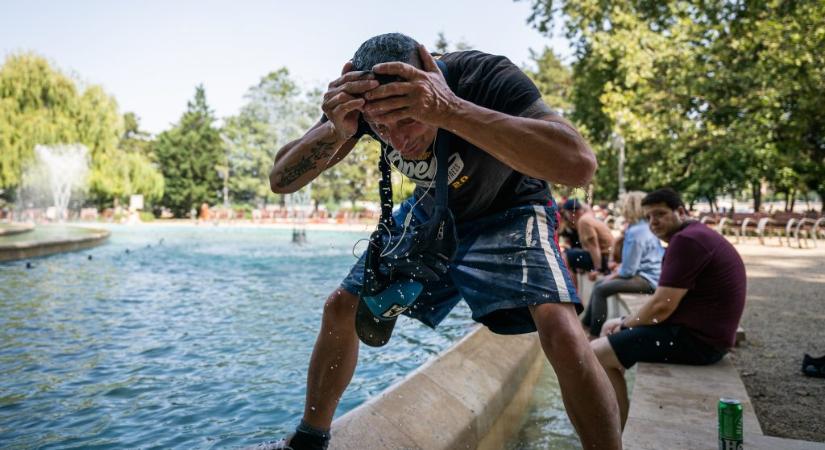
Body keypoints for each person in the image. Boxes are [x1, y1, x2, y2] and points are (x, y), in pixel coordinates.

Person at [264, 33, 621, 450]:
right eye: (382, 128)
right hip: (434, 209)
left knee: (560, 326)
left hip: (512, 205)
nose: (398, 140)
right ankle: (309, 439)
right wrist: (332, 132)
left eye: (409, 119)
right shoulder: (365, 102)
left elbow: (580, 165)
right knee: (341, 307)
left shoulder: (484, 76)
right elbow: (280, 180)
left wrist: (450, 111)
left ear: (431, 83)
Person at [591, 188, 746, 428]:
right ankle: (619, 420)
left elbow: (662, 306)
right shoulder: (693, 235)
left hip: (700, 343)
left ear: (681, 212)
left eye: (661, 214)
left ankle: (617, 430)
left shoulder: (686, 240)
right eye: (649, 216)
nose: (654, 222)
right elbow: (664, 305)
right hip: (702, 334)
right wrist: (624, 321)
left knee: (596, 354)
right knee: (609, 338)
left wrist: (624, 323)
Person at [580, 191, 664, 338]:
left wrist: (612, 276)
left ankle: (593, 334)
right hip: (653, 276)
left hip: (647, 280)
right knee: (601, 284)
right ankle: (586, 325)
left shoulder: (635, 232)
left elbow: (628, 271)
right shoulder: (645, 227)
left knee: (601, 288)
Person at [561, 199, 615, 286]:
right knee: (571, 255)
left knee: (565, 257)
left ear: (572, 212)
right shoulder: (588, 217)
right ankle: (574, 291)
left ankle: (572, 294)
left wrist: (597, 269)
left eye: (567, 213)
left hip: (605, 259)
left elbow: (594, 246)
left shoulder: (584, 221)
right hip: (606, 257)